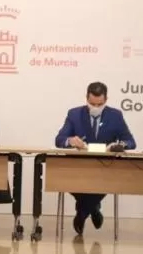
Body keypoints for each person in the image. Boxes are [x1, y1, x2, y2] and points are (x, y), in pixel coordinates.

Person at [55, 81, 136, 235]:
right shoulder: (74, 114)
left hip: (105, 168)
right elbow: (59, 139)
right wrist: (70, 141)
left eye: (100, 104)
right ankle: (93, 207)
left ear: (106, 100)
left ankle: (82, 213)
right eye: (92, 104)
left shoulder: (115, 115)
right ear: (86, 99)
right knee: (68, 179)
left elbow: (130, 141)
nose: (96, 107)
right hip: (78, 168)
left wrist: (119, 145)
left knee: (104, 180)